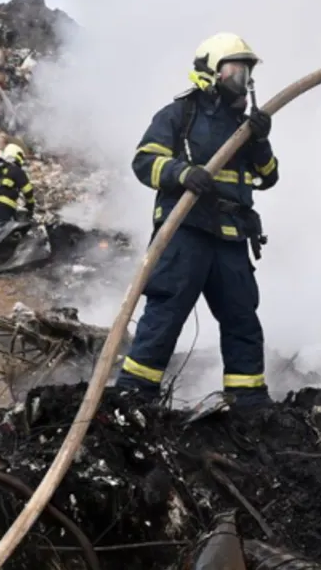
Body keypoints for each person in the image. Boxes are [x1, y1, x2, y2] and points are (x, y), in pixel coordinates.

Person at [115, 32, 277, 407]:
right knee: (166, 314)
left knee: (242, 319)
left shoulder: (244, 127)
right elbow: (144, 162)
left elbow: (268, 176)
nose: (244, 79)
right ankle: (133, 400)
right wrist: (181, 173)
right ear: (212, 71)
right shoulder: (180, 115)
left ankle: (249, 402)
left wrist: (261, 140)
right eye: (237, 69)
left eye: (247, 71)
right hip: (187, 229)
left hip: (231, 235)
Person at [0, 143, 35, 226]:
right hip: (3, 207)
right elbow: (28, 190)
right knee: (2, 235)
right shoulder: (16, 170)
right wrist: (30, 205)